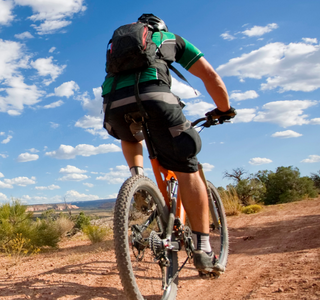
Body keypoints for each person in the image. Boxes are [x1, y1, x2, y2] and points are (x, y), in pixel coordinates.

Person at [101, 13, 236, 275]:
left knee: (129, 134)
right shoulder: (171, 39)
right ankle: (203, 249)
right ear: (160, 29)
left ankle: (137, 179)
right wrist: (224, 109)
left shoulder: (116, 46)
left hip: (113, 106)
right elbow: (210, 76)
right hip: (157, 99)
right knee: (187, 166)